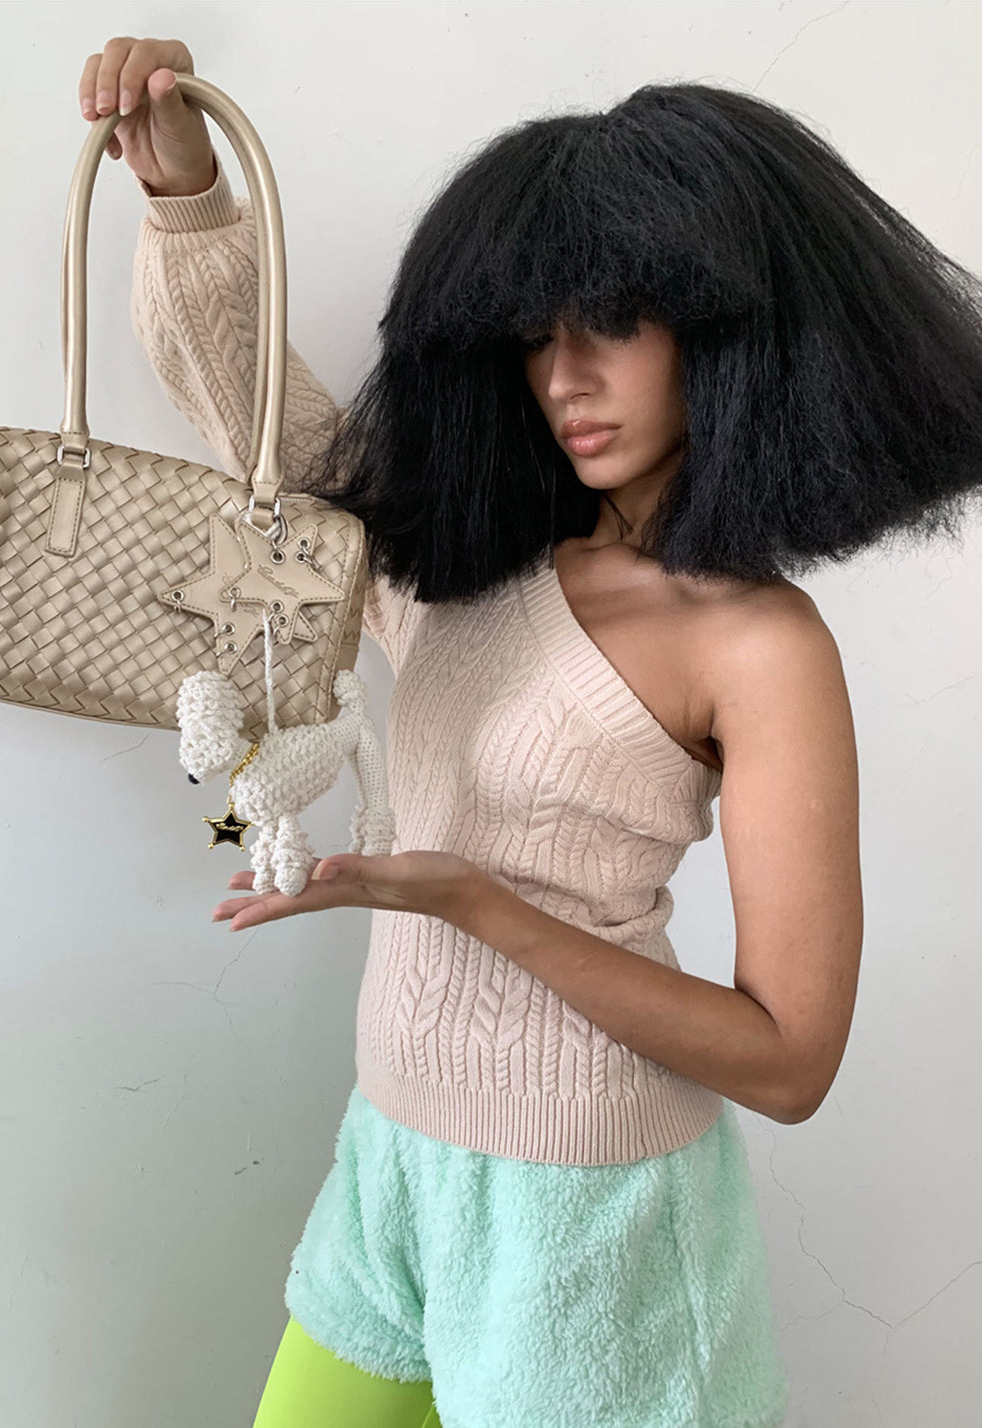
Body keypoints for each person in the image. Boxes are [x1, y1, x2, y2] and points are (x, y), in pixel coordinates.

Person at [79, 36, 982, 1428]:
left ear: (722, 327)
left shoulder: (760, 645)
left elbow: (790, 1059)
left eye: (611, 323)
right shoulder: (465, 564)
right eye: (535, 332)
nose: (565, 375)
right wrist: (187, 196)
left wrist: (478, 905)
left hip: (594, 1224)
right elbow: (262, 427)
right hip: (395, 1158)